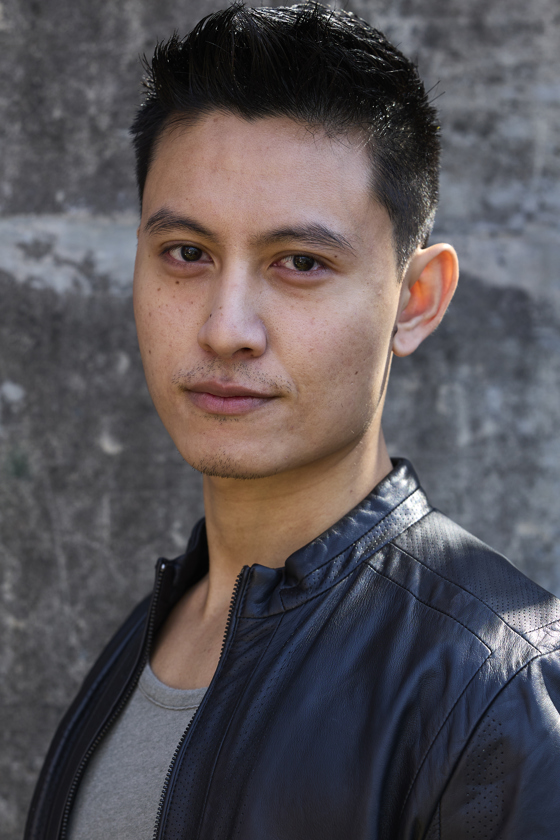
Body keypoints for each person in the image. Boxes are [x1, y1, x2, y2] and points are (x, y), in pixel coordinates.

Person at [25, 4, 560, 839]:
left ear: (415, 300)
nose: (225, 328)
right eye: (188, 253)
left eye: (301, 263)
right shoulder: (158, 629)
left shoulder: (501, 689)